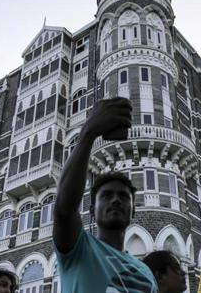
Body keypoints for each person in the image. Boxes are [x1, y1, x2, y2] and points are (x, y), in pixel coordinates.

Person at [53, 97, 158, 292]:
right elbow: (64, 209)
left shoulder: (145, 272)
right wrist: (88, 133)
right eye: (107, 195)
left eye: (124, 196)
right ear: (92, 210)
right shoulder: (79, 249)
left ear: (133, 211)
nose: (116, 199)